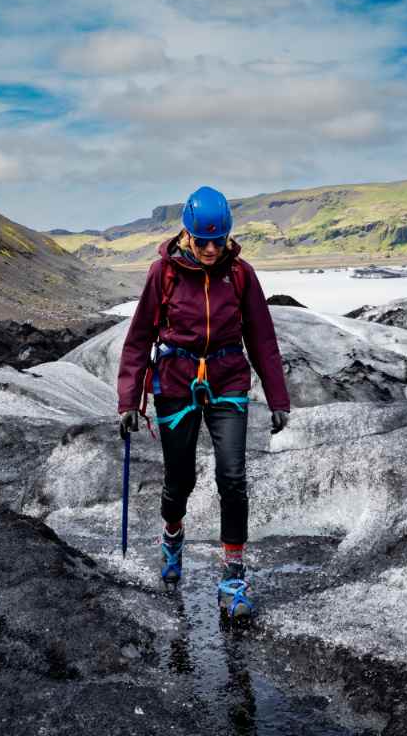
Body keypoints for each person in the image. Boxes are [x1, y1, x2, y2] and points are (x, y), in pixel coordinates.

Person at [116, 186, 291, 619]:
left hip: (228, 382)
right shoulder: (164, 273)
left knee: (232, 477)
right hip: (175, 384)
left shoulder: (242, 274)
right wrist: (128, 401)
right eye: (203, 240)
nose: (212, 249)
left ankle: (233, 577)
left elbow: (262, 339)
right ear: (187, 234)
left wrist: (277, 397)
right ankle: (172, 537)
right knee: (180, 480)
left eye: (219, 240)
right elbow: (139, 338)